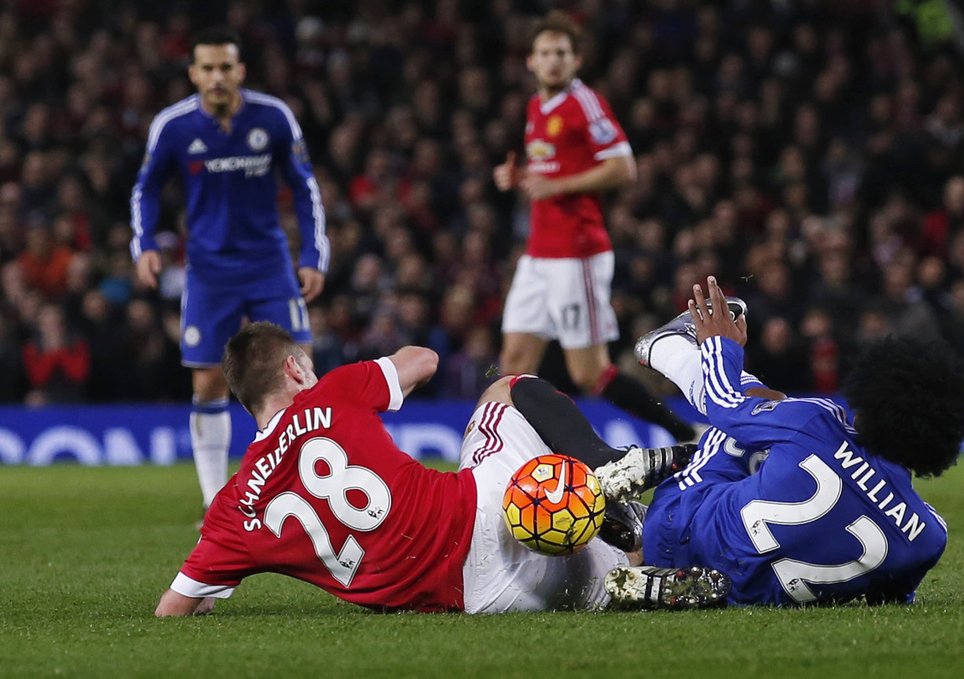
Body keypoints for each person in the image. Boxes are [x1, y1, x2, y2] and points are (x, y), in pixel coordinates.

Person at [154, 322, 726, 616]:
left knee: (601, 578)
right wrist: (373, 371)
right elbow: (423, 362)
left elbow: (174, 608)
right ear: (295, 368)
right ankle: (600, 472)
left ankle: (618, 577)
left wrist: (208, 596)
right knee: (508, 387)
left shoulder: (234, 509)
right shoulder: (330, 392)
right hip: (486, 507)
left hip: (476, 595)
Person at [630, 276, 964, 606]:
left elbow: (724, 405)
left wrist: (720, 346)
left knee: (755, 420)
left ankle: (668, 347)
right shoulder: (930, 537)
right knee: (773, 429)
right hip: (739, 591)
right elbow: (888, 594)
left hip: (676, 532)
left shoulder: (817, 421)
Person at [130, 27, 328, 513]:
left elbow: (305, 187)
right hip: (209, 271)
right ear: (194, 73)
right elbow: (146, 189)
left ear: (240, 71)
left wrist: (313, 257)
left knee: (299, 375)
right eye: (208, 68)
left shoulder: (273, 117)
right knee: (207, 383)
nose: (217, 77)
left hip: (269, 265)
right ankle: (214, 502)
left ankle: (311, 493)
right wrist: (145, 244)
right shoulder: (173, 126)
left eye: (226, 68)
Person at [493, 11, 698, 444]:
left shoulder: (584, 102)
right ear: (530, 61)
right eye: (545, 53)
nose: (553, 61)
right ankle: (521, 457)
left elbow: (624, 168)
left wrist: (555, 184)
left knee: (589, 372)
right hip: (538, 253)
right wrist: (521, 178)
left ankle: (682, 431)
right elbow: (551, 170)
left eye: (561, 53)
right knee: (513, 363)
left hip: (577, 252)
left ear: (576, 61)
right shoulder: (536, 106)